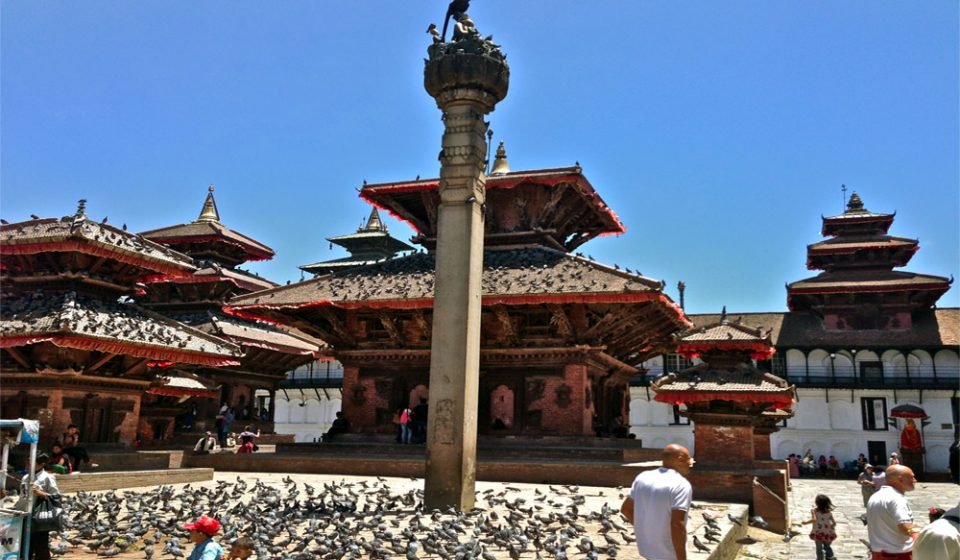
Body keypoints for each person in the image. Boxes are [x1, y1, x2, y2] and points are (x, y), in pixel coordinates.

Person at [620, 444, 695, 560]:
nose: (691, 462)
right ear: (679, 459)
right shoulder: (681, 485)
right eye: (689, 458)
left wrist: (647, 530)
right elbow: (677, 524)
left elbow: (626, 509)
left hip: (647, 551)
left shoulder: (643, 477)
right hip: (669, 555)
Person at [866, 465, 918, 559]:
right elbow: (905, 526)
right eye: (912, 477)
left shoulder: (875, 496)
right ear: (900, 479)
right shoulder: (897, 499)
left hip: (878, 553)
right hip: (899, 553)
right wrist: (921, 538)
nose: (915, 480)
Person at [16, 453, 61, 560]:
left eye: (30, 462)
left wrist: (41, 493)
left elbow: (57, 497)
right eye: (27, 461)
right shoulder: (25, 477)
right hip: (24, 516)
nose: (27, 464)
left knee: (40, 546)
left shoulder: (47, 478)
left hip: (39, 518)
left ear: (41, 464)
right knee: (25, 545)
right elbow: (22, 496)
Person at [801, 494, 837, 560]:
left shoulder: (814, 511)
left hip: (818, 532)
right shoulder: (828, 512)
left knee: (819, 548)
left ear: (817, 503)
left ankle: (820, 558)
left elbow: (814, 520)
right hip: (827, 532)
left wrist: (805, 522)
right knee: (827, 546)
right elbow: (834, 523)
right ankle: (830, 556)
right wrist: (832, 527)